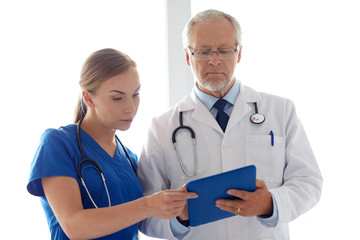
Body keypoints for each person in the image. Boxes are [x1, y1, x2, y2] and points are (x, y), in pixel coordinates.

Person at [137, 9, 323, 240]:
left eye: (224, 50)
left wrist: (271, 203)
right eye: (203, 51)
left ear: (239, 53)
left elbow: (309, 182)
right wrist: (179, 216)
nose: (214, 60)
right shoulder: (162, 127)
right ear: (188, 56)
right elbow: (144, 213)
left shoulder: (281, 111)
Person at [27, 48, 197, 240]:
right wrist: (149, 205)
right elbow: (74, 226)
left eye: (135, 94)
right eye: (117, 98)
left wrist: (180, 214)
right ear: (88, 98)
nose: (131, 108)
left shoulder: (129, 158)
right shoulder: (58, 144)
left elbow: (135, 226)